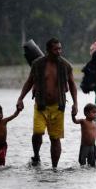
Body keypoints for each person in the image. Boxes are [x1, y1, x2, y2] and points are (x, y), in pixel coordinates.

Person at [17, 38, 78, 168]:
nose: (59, 52)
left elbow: (72, 85)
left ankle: (54, 168)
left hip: (58, 107)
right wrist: (20, 98)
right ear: (48, 50)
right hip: (41, 105)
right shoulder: (38, 64)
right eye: (56, 49)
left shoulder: (65, 66)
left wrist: (75, 103)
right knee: (38, 132)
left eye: (60, 49)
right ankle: (36, 155)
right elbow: (29, 82)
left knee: (55, 138)